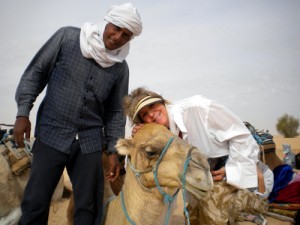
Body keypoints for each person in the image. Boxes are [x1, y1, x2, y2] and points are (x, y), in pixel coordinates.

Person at [13, 3, 142, 225]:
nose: (118, 36)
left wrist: (113, 151)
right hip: (52, 132)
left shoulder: (121, 68)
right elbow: (36, 73)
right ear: (106, 21)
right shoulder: (68, 38)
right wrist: (23, 113)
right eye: (117, 28)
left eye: (126, 34)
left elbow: (114, 112)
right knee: (35, 202)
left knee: (88, 207)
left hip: (90, 142)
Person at [123, 87, 268, 225]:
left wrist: (230, 169)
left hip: (230, 167)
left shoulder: (199, 108)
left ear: (162, 101)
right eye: (144, 115)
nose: (151, 114)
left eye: (152, 105)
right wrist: (144, 134)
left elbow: (242, 136)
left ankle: (249, 202)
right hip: (201, 176)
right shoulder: (164, 134)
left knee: (212, 215)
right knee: (193, 219)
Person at [239, 160, 274, 225]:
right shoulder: (237, 165)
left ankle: (246, 216)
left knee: (261, 205)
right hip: (237, 199)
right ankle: (246, 216)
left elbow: (262, 197)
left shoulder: (267, 173)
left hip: (253, 203)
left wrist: (260, 177)